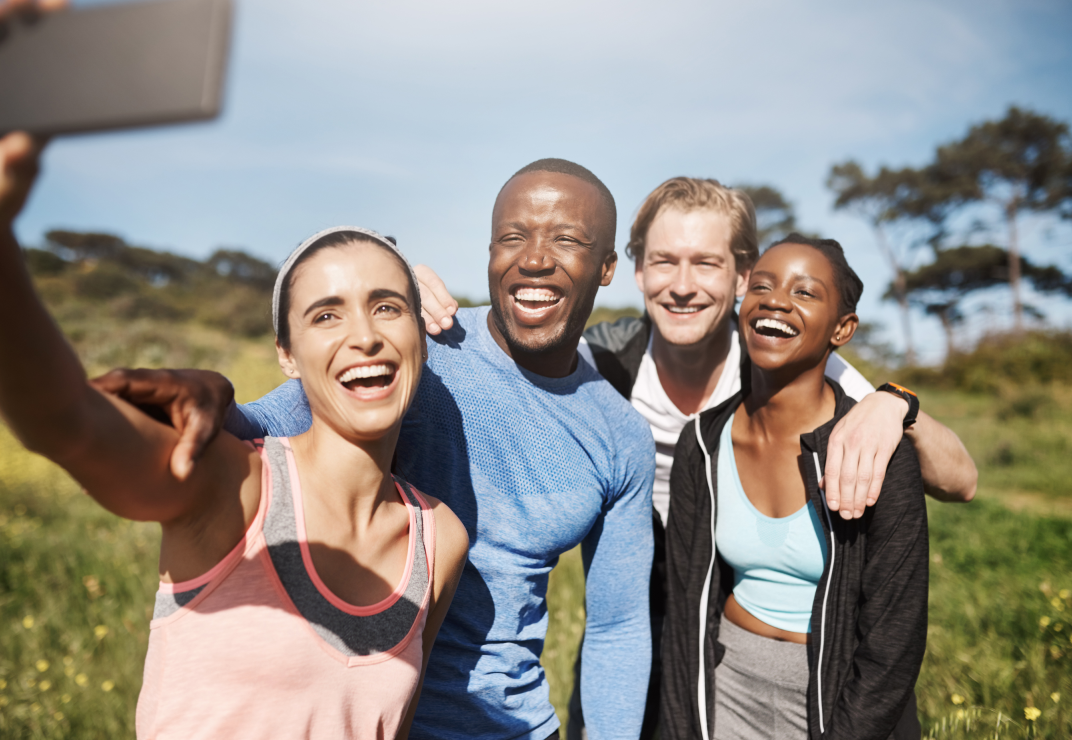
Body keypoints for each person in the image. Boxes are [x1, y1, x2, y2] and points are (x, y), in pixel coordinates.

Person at [0, 5, 467, 738]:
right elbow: (65, 422)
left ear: (420, 334)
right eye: (325, 315)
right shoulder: (230, 485)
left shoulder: (440, 538)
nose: (365, 337)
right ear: (287, 356)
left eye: (387, 307)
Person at [100, 159, 658, 739]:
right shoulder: (418, 353)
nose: (535, 258)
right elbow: (257, 432)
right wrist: (208, 393)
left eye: (567, 240)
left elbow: (618, 627)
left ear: (608, 267)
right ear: (489, 251)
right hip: (372, 718)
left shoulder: (620, 437)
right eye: (512, 237)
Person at [413, 176, 977, 738]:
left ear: (741, 276)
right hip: (640, 604)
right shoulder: (601, 362)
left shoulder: (782, 357)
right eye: (663, 262)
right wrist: (384, 288)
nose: (682, 286)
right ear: (634, 271)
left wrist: (896, 404)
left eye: (706, 263)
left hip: (723, 625)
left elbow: (962, 481)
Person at [661, 234, 929, 740]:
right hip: (730, 683)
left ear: (842, 329)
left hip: (838, 694)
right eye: (761, 286)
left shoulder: (878, 451)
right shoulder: (701, 443)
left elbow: (895, 638)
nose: (777, 300)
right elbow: (684, 614)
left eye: (805, 293)